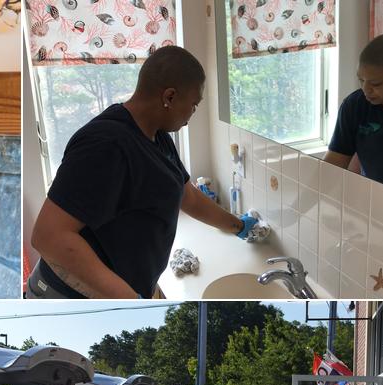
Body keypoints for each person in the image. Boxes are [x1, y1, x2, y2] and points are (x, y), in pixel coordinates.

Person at [27, 45, 258, 299]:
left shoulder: (157, 136)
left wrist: (237, 225)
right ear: (169, 97)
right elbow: (48, 237)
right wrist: (130, 300)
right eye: (193, 105)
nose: (192, 114)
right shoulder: (106, 144)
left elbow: (186, 196)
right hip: (72, 296)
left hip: (129, 287)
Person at [324, 34, 383, 198]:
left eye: (376, 84)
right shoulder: (354, 105)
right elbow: (332, 166)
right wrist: (297, 206)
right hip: (374, 204)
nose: (366, 90)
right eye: (361, 80)